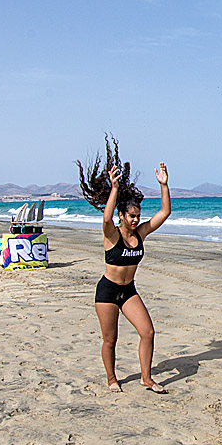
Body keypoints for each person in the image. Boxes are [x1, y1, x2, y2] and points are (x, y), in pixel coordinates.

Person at [77, 135, 171, 393]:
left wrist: (164, 185)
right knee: (110, 339)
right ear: (122, 215)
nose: (135, 220)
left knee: (147, 332)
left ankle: (147, 378)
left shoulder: (140, 234)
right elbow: (106, 218)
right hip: (107, 291)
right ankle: (111, 378)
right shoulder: (112, 235)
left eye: (137, 216)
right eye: (131, 216)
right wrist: (114, 189)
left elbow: (164, 213)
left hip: (128, 290)